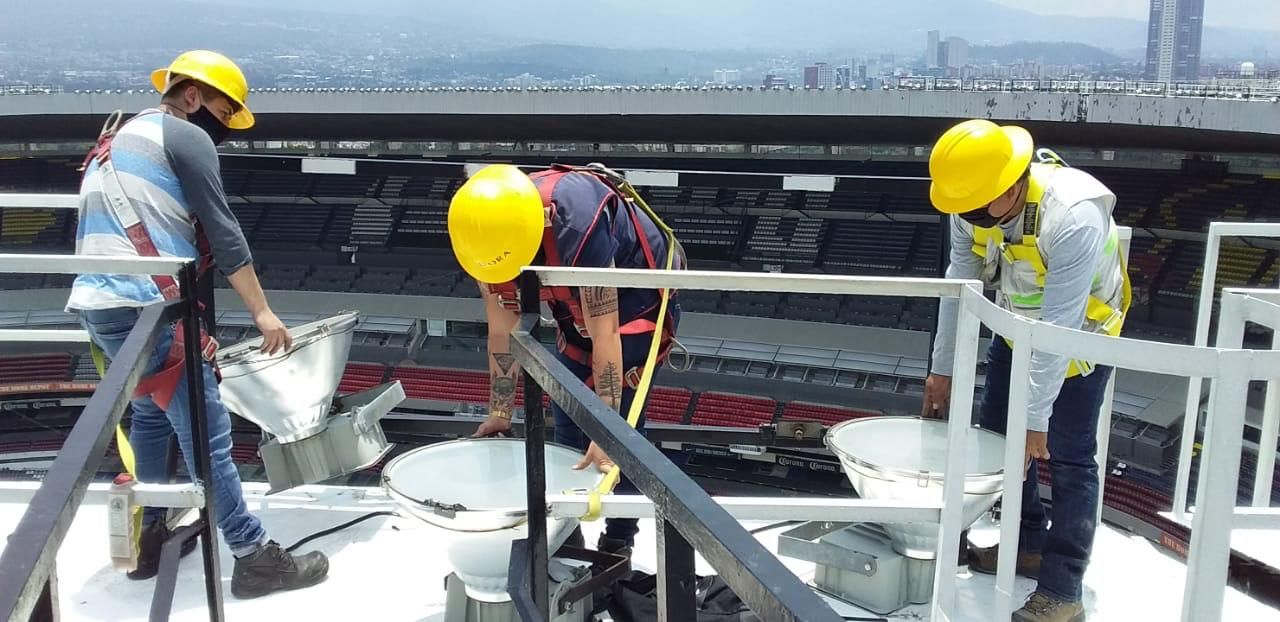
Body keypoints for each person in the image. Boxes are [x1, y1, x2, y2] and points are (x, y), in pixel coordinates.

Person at [66, 50, 329, 599]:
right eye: (225, 111)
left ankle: (149, 539)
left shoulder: (120, 138)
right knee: (207, 436)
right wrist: (261, 311)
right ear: (192, 96)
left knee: (152, 418)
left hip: (102, 303)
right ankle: (254, 556)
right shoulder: (185, 135)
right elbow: (224, 229)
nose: (226, 125)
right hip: (147, 301)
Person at [922, 119, 1130, 622]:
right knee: (997, 440)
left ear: (1012, 184)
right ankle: (1028, 541)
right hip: (1015, 331)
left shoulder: (1072, 216)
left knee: (1069, 458)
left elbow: (1060, 324)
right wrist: (943, 368)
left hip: (1079, 344)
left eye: (977, 207)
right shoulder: (969, 206)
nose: (969, 217)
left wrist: (1036, 419)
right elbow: (961, 282)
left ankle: (1062, 590)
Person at [449, 163, 683, 558]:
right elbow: (501, 333)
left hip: (636, 301)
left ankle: (618, 539)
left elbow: (606, 331)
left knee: (622, 434)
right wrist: (499, 412)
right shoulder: (480, 235)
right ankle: (565, 531)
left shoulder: (577, 224)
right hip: (573, 304)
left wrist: (608, 431)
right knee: (568, 405)